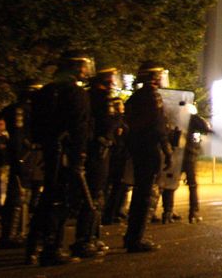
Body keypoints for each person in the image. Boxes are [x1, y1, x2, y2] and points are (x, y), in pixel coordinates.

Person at [25, 50, 94, 266]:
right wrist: (79, 156)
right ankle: (53, 248)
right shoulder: (75, 93)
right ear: (75, 67)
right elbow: (79, 128)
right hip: (66, 154)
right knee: (60, 200)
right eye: (83, 66)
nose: (85, 70)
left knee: (47, 198)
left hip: (48, 151)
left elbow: (35, 125)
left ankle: (32, 246)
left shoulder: (46, 91)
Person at [71, 63, 120, 258]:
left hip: (97, 150)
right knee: (93, 195)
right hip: (97, 152)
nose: (113, 81)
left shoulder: (91, 95)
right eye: (110, 77)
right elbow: (105, 123)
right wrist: (117, 118)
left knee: (96, 195)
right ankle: (85, 239)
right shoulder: (100, 98)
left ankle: (92, 236)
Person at [123, 62, 172, 253]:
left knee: (139, 192)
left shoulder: (135, 97)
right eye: (159, 74)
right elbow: (159, 127)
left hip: (137, 148)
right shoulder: (153, 96)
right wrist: (167, 151)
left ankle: (131, 235)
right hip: (149, 149)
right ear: (153, 76)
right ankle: (136, 238)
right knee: (145, 195)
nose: (161, 78)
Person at [0, 80, 41, 249]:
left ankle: (18, 232)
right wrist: (20, 156)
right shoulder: (20, 110)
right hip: (23, 156)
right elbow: (18, 136)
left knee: (23, 196)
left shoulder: (25, 110)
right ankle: (10, 234)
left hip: (26, 156)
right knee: (17, 196)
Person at [180, 109, 212, 224]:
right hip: (189, 154)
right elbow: (205, 128)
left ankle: (167, 212)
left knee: (168, 183)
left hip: (176, 153)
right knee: (192, 185)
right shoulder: (193, 119)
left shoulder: (176, 116)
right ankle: (193, 212)